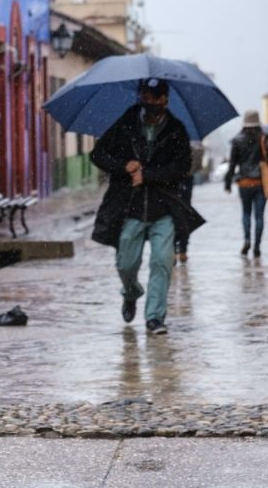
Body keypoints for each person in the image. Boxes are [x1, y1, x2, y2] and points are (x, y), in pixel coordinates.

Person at [91, 78, 202, 336]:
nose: (149, 101)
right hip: (130, 207)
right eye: (145, 96)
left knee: (163, 262)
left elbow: (183, 167)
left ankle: (154, 317)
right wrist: (123, 166)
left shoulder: (176, 130)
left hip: (164, 210)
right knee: (125, 264)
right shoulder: (126, 123)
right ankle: (131, 293)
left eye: (155, 97)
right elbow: (97, 155)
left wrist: (149, 175)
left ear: (165, 99)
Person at [224, 110, 266, 257]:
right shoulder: (263, 138)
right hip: (260, 182)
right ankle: (256, 247)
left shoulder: (237, 140)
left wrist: (228, 183)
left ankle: (247, 239)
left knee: (246, 213)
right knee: (259, 216)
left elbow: (232, 164)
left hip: (244, 182)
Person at [173, 142, 205, 263]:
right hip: (185, 182)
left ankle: (174, 250)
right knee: (183, 215)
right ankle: (183, 250)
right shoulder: (194, 144)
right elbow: (198, 165)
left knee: (173, 216)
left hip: (173, 183)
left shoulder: (167, 138)